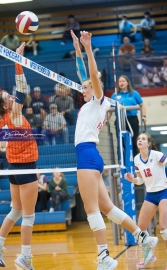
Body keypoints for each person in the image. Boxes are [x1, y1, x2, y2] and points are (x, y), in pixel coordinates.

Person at [71, 30, 158, 270]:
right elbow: (83, 73)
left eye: (86, 86)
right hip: (91, 156)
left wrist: (88, 49)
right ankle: (144, 237)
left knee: (91, 210)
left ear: (94, 86)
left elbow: (90, 75)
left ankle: (104, 257)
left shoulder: (100, 99)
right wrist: (78, 49)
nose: (83, 89)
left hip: (87, 154)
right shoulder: (90, 102)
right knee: (108, 208)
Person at [0, 43, 38, 270]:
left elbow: (20, 92)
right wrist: (18, 61)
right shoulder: (13, 114)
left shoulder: (1, 120)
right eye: (8, 96)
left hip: (13, 168)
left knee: (16, 210)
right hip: (25, 166)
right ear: (7, 104)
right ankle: (24, 257)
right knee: (28, 216)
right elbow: (23, 90)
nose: (11, 95)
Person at [125, 132, 167, 269]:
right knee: (140, 230)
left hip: (164, 192)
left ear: (148, 143)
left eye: (143, 139)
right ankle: (150, 255)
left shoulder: (156, 155)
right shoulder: (137, 159)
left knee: (164, 228)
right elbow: (140, 180)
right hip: (150, 195)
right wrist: (132, 179)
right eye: (138, 139)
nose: (140, 140)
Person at [110, 75, 147, 157]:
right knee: (121, 142)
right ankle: (122, 163)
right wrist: (106, 120)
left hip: (132, 119)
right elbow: (110, 109)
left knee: (135, 141)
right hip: (120, 120)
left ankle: (136, 162)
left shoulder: (134, 93)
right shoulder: (114, 95)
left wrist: (144, 116)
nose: (121, 83)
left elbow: (142, 105)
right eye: (119, 81)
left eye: (123, 81)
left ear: (127, 83)